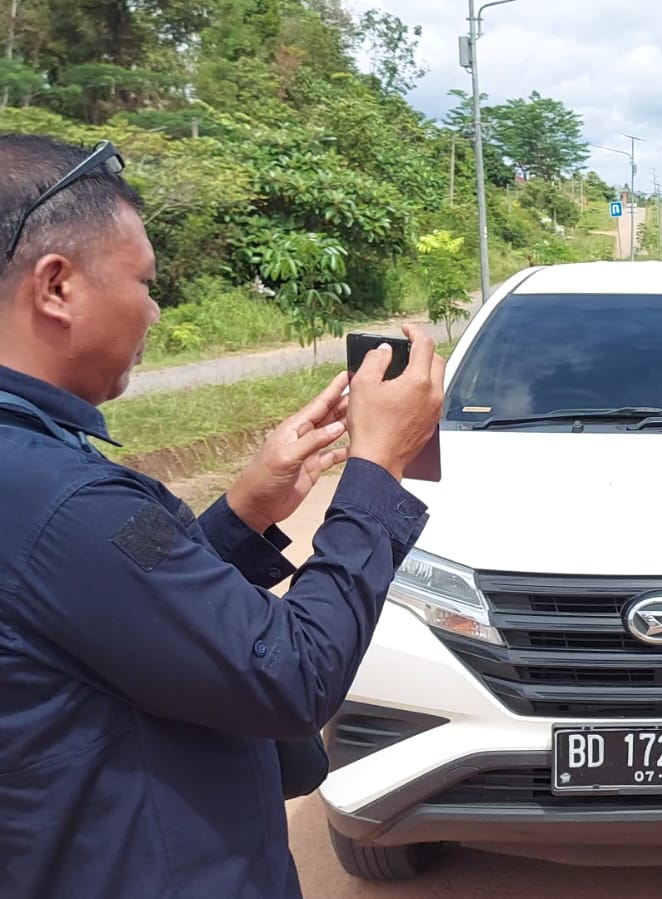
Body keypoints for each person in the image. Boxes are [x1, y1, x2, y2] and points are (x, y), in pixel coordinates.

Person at [0, 134, 444, 897]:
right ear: (57, 286)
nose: (156, 308)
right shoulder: (62, 497)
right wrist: (376, 470)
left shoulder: (36, 471)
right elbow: (290, 671)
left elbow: (124, 603)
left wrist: (244, 511)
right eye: (143, 281)